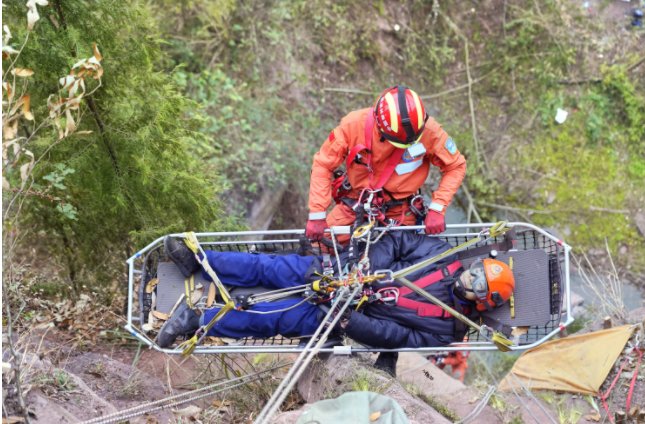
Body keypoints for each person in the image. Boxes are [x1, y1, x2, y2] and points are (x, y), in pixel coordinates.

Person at [156, 233, 515, 375]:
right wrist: (367, 266)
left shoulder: (445, 330)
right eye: (476, 270)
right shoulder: (443, 257)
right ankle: (200, 261)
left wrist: (347, 323)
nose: (470, 276)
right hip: (342, 272)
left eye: (479, 282)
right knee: (268, 267)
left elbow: (394, 336)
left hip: (347, 313)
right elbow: (400, 241)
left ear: (482, 301)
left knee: (274, 321)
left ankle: (198, 321)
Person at [305, 85, 467, 242]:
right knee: (319, 246)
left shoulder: (430, 132)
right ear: (379, 126)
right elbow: (323, 164)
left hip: (401, 211)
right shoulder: (353, 126)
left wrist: (437, 208)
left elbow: (455, 166)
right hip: (356, 204)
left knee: (401, 257)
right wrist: (317, 214)